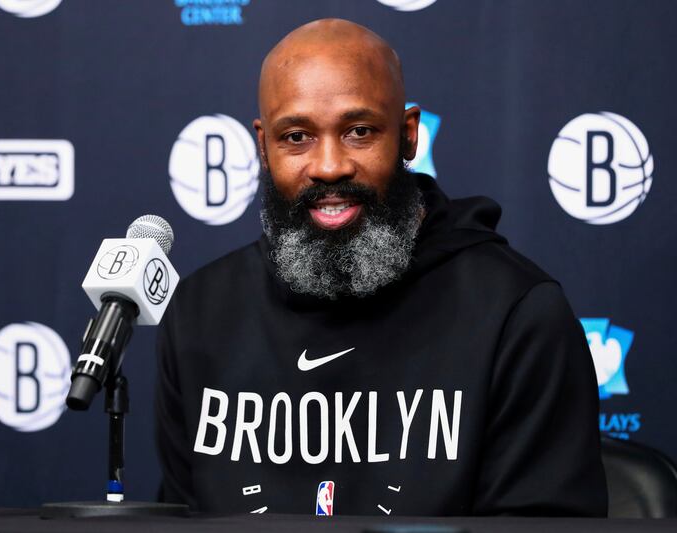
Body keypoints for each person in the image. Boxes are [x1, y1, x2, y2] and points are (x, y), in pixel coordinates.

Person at [155, 18, 607, 516]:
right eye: (297, 136)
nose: (329, 166)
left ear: (408, 135)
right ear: (263, 147)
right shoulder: (199, 314)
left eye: (359, 131)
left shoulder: (517, 316)